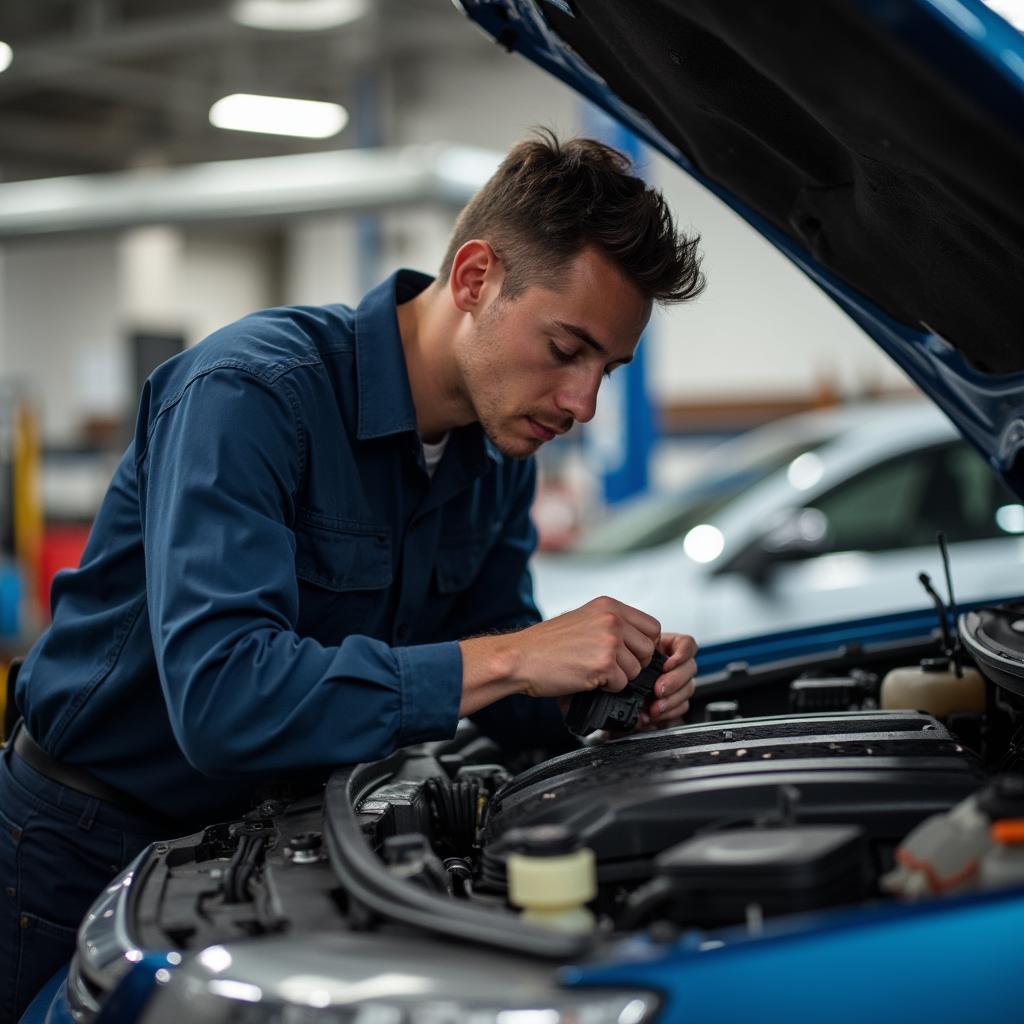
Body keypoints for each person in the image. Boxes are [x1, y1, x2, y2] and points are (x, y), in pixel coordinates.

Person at [0, 130, 704, 1018]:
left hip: (274, 852)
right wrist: (518, 659)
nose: (583, 404)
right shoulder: (251, 395)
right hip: (78, 849)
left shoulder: (496, 454)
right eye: (568, 349)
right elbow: (224, 697)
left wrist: (595, 690)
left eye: (608, 367)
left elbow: (498, 666)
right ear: (477, 277)